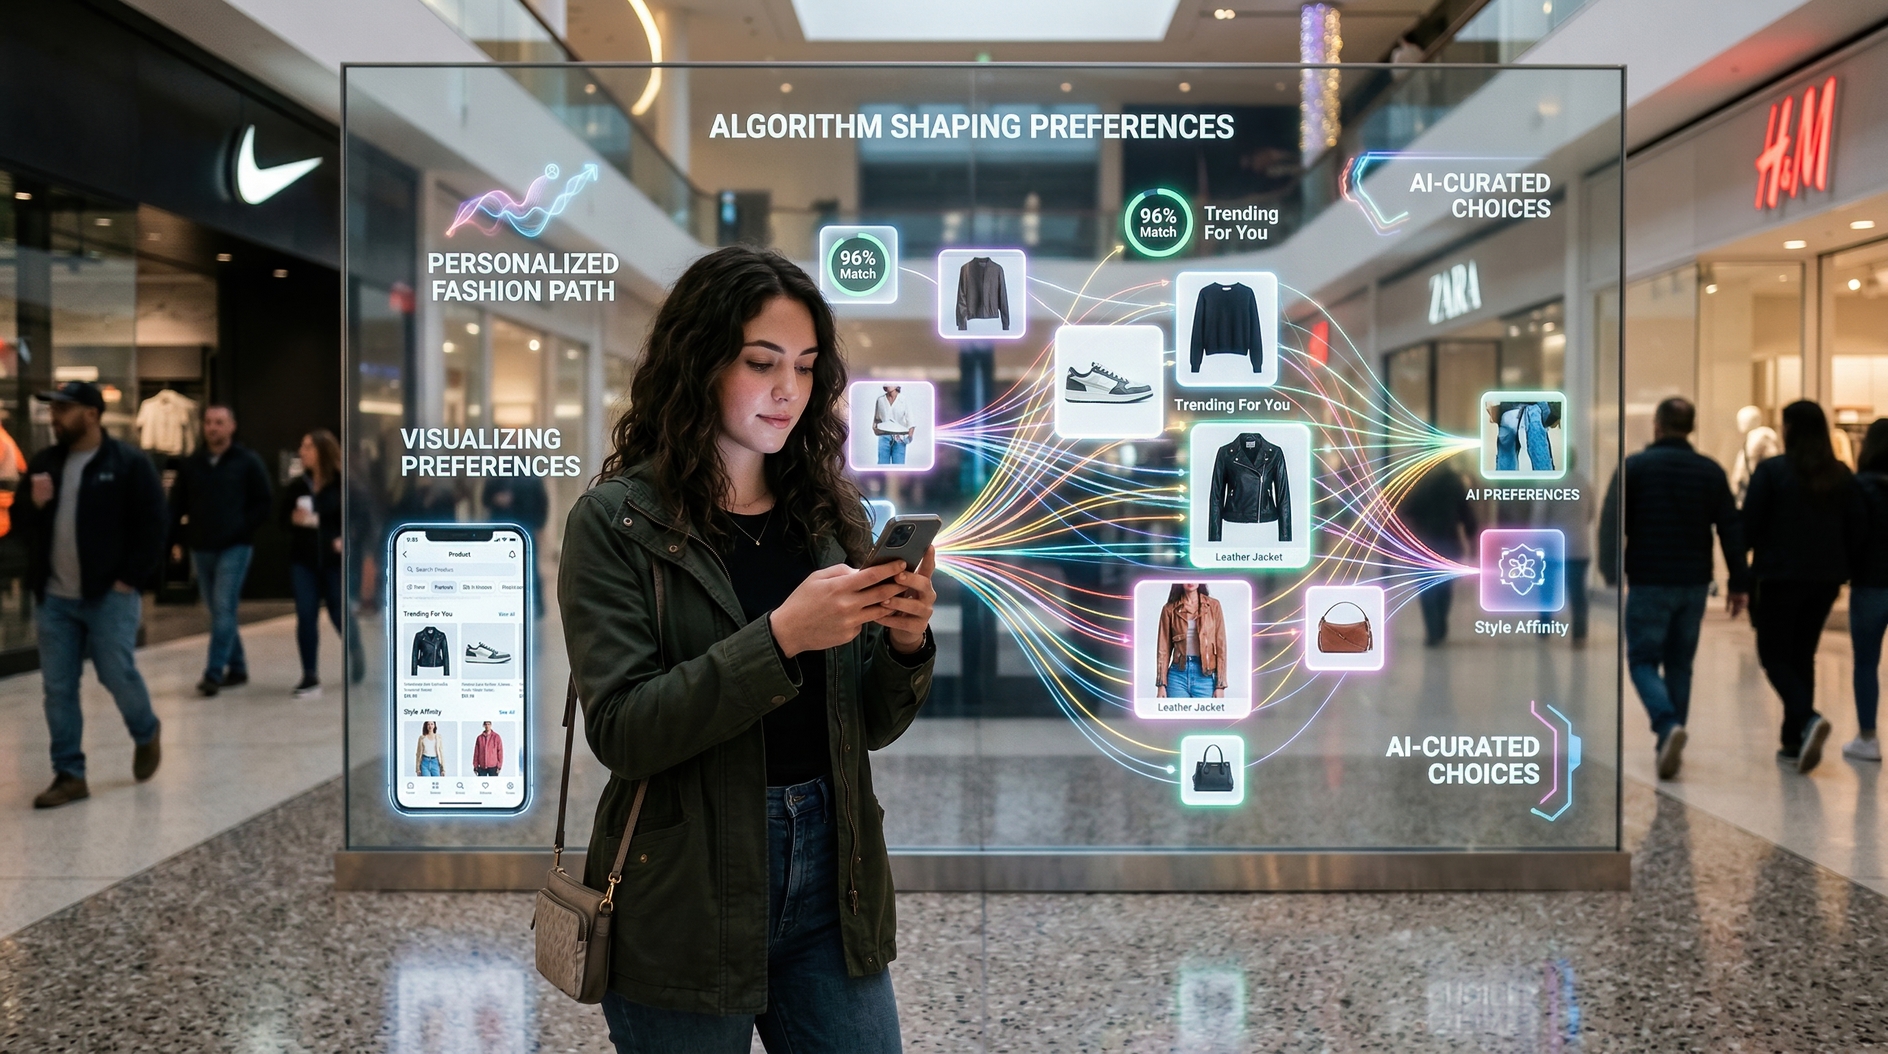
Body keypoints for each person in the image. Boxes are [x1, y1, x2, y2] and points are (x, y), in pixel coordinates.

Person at [559, 245, 937, 1053]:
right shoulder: (617, 523)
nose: (787, 389)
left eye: (805, 365)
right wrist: (781, 637)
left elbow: (867, 724)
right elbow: (623, 729)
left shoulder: (826, 515)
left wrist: (905, 641)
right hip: (684, 886)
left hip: (833, 876)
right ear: (698, 365)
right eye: (762, 362)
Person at [20, 382, 167, 808]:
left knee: (116, 673)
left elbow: (154, 523)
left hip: (109, 596)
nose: (54, 417)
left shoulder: (127, 463)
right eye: (52, 410)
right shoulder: (45, 463)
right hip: (55, 598)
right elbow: (20, 523)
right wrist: (34, 504)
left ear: (91, 414)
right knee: (58, 687)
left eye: (63, 409)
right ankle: (69, 774)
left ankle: (146, 731)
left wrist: (130, 578)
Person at [1597, 398, 1748, 780]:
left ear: (1657, 425)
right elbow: (1730, 529)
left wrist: (1610, 569)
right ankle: (1671, 738)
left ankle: (1667, 726)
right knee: (1680, 663)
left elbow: (1612, 521)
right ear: (1691, 427)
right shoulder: (1710, 471)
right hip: (1693, 582)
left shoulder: (1635, 467)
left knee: (1642, 659)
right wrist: (1738, 582)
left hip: (1649, 578)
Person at [1742, 400, 1861, 774]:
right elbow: (1856, 527)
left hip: (1779, 577)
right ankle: (1793, 740)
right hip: (1825, 580)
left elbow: (1749, 525)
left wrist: (1740, 569)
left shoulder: (1773, 471)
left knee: (1773, 655)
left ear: (1790, 429)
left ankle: (1807, 719)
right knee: (1801, 654)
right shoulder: (1841, 475)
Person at [167, 404, 272, 696]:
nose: (213, 427)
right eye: (209, 422)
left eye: (219, 422)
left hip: (235, 546)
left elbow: (263, 501)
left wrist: (243, 528)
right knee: (216, 610)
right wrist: (175, 540)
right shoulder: (192, 464)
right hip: (201, 546)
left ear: (231, 426)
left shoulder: (247, 461)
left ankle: (213, 672)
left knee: (224, 606)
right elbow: (177, 504)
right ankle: (237, 667)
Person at [280, 429, 360, 698]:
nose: (302, 452)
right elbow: (281, 520)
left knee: (338, 611)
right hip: (303, 560)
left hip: (333, 560)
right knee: (305, 614)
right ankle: (310, 674)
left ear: (322, 452)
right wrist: (293, 519)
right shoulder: (297, 486)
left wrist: (346, 539)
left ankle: (355, 648)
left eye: (308, 447)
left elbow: (361, 519)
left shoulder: (343, 485)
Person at [1398, 457, 1477, 646]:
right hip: (1448, 539)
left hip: (1424, 541)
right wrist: (1470, 532)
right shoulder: (1454, 482)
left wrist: (1415, 525)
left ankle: (1432, 629)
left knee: (1426, 586)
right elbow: (1464, 511)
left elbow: (1407, 508)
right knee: (1444, 586)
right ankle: (1440, 625)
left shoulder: (1420, 481)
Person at [1846, 417, 1888, 762]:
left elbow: (1853, 535)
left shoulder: (1859, 487)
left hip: (1871, 582)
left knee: (1866, 662)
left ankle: (1868, 737)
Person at [1154, 583, 1225, 700]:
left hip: (1204, 675)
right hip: (1177, 675)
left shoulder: (1213, 606)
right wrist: (1161, 684)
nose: (1190, 581)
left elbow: (1221, 646)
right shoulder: (1169, 609)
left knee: (1204, 712)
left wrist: (1220, 685)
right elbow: (1163, 649)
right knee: (1178, 712)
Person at [871, 385, 912, 465]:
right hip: (884, 436)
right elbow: (876, 419)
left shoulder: (903, 399)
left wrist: (908, 438)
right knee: (882, 465)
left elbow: (911, 421)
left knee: (899, 465)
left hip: (899, 437)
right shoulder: (880, 400)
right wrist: (876, 429)